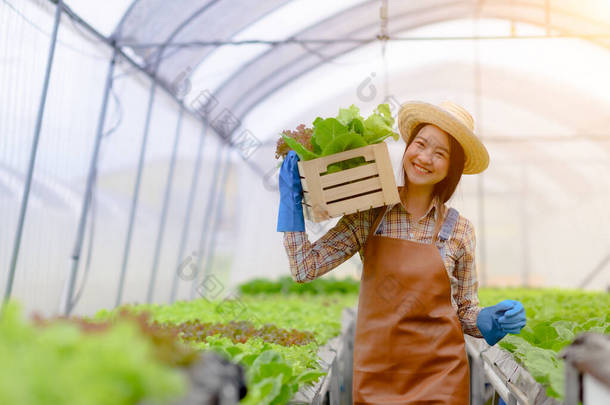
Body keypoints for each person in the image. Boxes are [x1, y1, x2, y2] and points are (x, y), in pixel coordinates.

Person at [277, 101, 527, 404]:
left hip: (441, 379)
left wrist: (490, 319)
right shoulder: (370, 213)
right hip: (377, 377)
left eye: (440, 153)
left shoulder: (460, 230)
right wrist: (291, 208)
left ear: (452, 168)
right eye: (420, 144)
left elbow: (464, 312)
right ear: (408, 147)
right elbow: (306, 268)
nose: (425, 157)